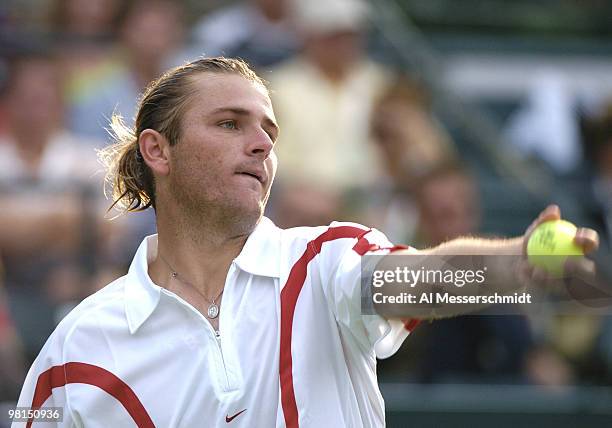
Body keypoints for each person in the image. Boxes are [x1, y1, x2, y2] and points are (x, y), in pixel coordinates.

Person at [14, 57, 599, 427]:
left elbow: (423, 278)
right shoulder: (75, 350)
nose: (262, 144)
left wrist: (516, 266)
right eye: (228, 124)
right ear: (157, 151)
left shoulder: (327, 261)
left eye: (269, 130)